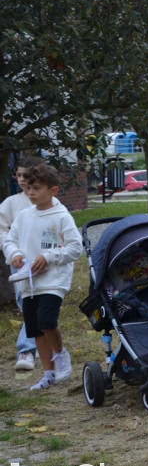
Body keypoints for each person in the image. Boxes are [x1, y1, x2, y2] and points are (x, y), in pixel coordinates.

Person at [3, 163, 82, 390]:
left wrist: (49, 257)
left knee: (47, 321)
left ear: (53, 190)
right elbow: (10, 240)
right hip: (27, 282)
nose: (30, 193)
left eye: (36, 188)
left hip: (52, 281)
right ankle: (48, 373)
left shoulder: (61, 217)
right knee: (35, 328)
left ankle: (60, 354)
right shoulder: (24, 216)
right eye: (28, 188)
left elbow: (75, 248)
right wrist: (15, 254)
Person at [1, 157, 43, 372]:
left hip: (44, 263)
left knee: (38, 306)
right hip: (19, 263)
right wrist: (13, 252)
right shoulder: (11, 204)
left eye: (27, 175)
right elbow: (2, 230)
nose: (23, 179)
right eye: (19, 175)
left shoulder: (49, 203)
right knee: (26, 303)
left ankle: (26, 349)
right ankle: (37, 344)